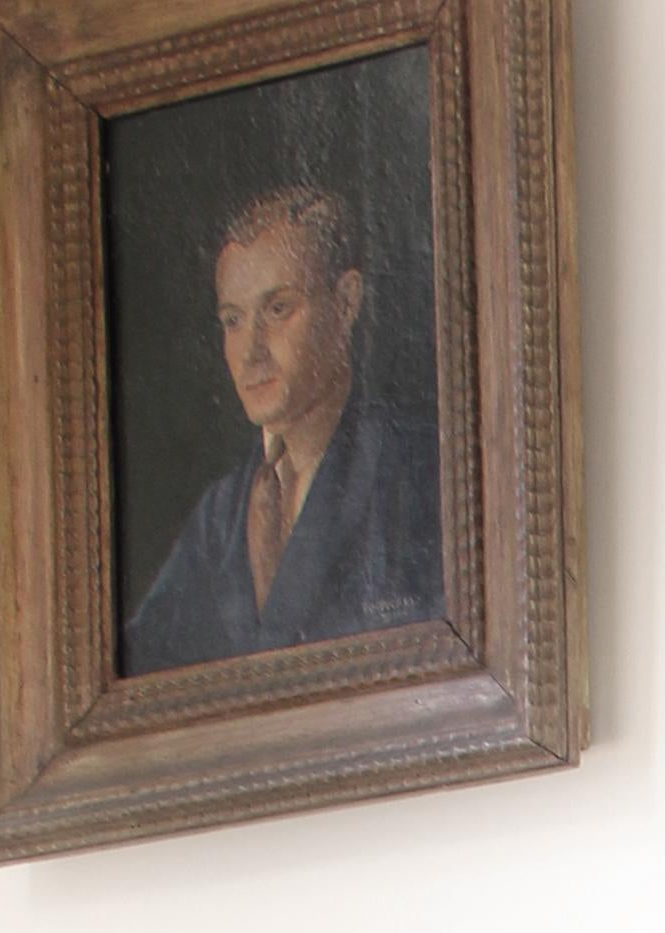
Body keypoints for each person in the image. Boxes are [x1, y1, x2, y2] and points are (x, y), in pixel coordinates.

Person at [121, 181, 442, 674]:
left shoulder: (420, 471)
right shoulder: (219, 516)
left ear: (346, 303)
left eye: (278, 310)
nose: (251, 352)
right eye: (232, 320)